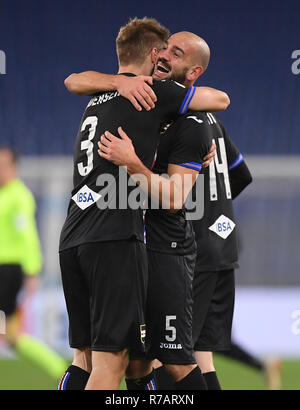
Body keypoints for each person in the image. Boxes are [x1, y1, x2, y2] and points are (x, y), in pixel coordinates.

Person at [59, 18, 230, 390]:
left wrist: (136, 162)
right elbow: (73, 79)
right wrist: (120, 80)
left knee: (152, 361)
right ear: (152, 55)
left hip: (144, 247)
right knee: (116, 361)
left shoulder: (186, 120)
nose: (166, 55)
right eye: (165, 49)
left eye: (177, 52)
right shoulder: (144, 93)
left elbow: (173, 198)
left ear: (194, 70)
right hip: (117, 240)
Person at [0, 146, 67, 382]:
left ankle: (57, 367)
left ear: (14, 168)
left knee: (9, 332)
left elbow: (28, 235)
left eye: (4, 165)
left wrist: (32, 271)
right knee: (10, 335)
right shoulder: (4, 195)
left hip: (8, 270)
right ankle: (57, 367)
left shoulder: (19, 196)